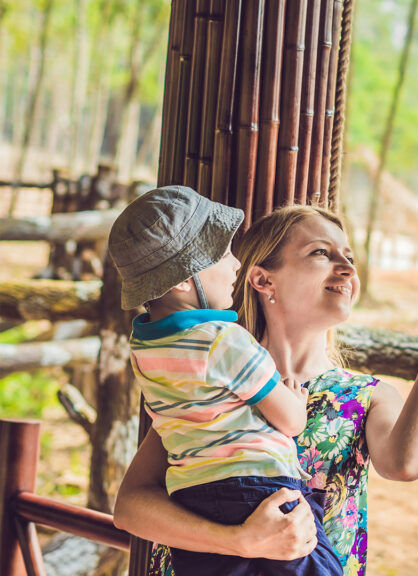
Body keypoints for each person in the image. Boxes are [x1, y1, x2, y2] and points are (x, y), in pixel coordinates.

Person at [113, 202, 418, 575]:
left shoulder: (365, 396)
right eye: (321, 252)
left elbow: (405, 464)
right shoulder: (208, 381)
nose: (348, 268)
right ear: (263, 280)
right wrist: (239, 540)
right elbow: (131, 507)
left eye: (349, 256)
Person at [108, 186, 344, 575]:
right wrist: (296, 402)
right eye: (221, 253)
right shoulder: (223, 340)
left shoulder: (145, 349)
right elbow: (292, 421)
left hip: (193, 498)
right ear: (184, 281)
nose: (235, 262)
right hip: (258, 491)